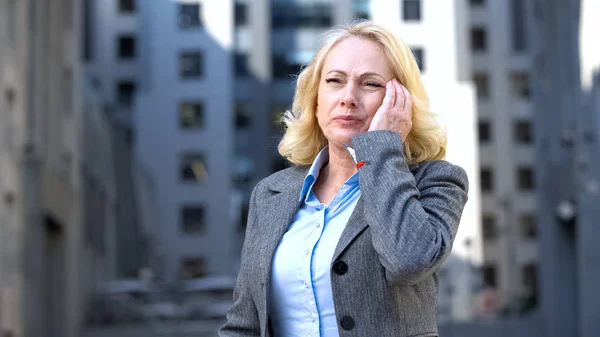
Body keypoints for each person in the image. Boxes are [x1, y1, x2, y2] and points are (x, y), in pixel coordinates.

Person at [219, 21, 469, 337]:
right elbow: (244, 324)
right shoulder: (271, 193)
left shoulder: (436, 181)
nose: (348, 97)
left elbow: (408, 262)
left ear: (400, 101)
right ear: (316, 97)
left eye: (371, 84)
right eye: (335, 80)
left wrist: (381, 145)